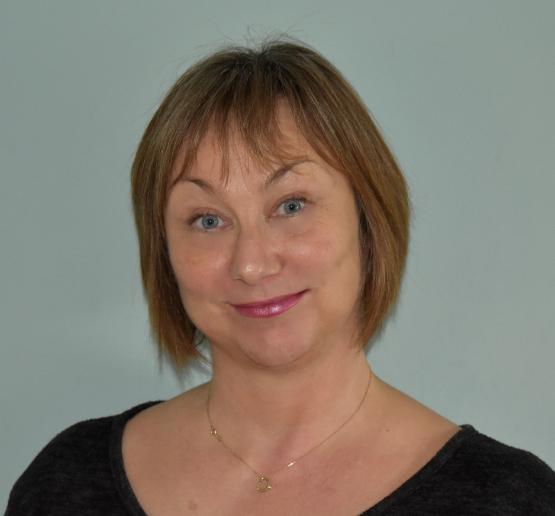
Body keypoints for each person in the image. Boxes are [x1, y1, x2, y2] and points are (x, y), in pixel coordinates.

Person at [6, 38, 555, 516]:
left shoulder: (511, 500)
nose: (250, 263)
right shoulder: (64, 483)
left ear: (368, 222)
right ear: (164, 252)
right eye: (207, 219)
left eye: (291, 205)